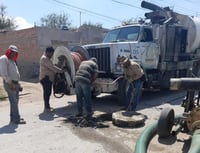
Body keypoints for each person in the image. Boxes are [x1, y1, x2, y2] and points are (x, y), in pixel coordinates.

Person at [0, 45, 26, 124]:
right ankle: (16, 119)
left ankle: (13, 118)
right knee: (14, 102)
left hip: (15, 83)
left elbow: (15, 73)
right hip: (9, 83)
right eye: (12, 52)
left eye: (15, 53)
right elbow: (3, 73)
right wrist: (10, 83)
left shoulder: (13, 60)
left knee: (15, 101)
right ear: (9, 51)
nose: (13, 54)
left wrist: (18, 83)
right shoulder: (4, 59)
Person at [39, 46, 63, 112]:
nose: (52, 55)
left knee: (48, 93)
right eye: (51, 54)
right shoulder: (44, 58)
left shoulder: (47, 58)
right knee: (47, 93)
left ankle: (47, 107)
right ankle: (46, 108)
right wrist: (61, 71)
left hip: (48, 78)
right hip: (45, 78)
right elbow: (52, 67)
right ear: (47, 52)